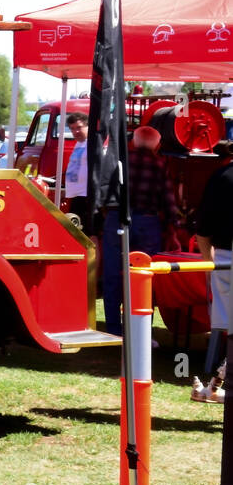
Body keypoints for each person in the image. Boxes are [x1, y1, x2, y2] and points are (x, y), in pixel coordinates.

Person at [100, 125, 179, 336]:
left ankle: (114, 328)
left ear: (133, 141)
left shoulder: (119, 163)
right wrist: (174, 229)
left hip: (117, 219)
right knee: (144, 276)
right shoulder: (160, 165)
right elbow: (169, 202)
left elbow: (104, 192)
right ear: (157, 144)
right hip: (147, 222)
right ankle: (141, 330)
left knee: (113, 275)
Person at [194, 139, 233, 401]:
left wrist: (210, 265)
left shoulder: (221, 175)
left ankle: (214, 388)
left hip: (224, 258)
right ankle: (215, 388)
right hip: (224, 257)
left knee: (230, 330)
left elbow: (203, 228)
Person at [62, 112, 91, 224]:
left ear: (88, 126)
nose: (75, 132)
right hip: (75, 196)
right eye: (72, 129)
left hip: (86, 196)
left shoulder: (92, 144)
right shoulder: (79, 144)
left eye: (79, 127)